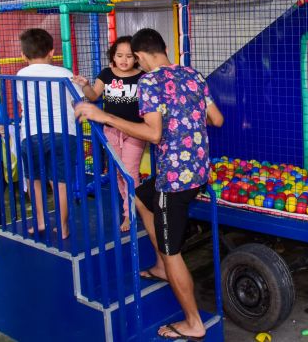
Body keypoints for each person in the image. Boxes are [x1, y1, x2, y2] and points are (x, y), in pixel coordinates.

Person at [75, 28, 223, 341]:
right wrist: (187, 118)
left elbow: (153, 134)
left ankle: (193, 321)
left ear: (140, 56)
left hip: (174, 180)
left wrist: (103, 116)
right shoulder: (193, 75)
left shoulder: (150, 81)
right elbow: (217, 120)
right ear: (163, 48)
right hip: (198, 170)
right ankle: (159, 265)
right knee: (141, 198)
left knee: (174, 253)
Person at [73, 36, 146, 232]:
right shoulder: (106, 74)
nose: (124, 60)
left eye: (129, 56)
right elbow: (93, 96)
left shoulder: (142, 77)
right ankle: (130, 206)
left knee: (130, 173)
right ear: (113, 56)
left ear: (137, 58)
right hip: (111, 131)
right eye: (119, 55)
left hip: (135, 131)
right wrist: (85, 85)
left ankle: (129, 214)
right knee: (118, 173)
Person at [16, 28, 83, 239]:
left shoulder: (21, 75)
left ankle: (41, 221)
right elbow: (78, 100)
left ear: (23, 55)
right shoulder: (64, 73)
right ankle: (63, 226)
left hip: (32, 132)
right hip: (63, 132)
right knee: (60, 181)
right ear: (52, 52)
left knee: (35, 179)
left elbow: (21, 102)